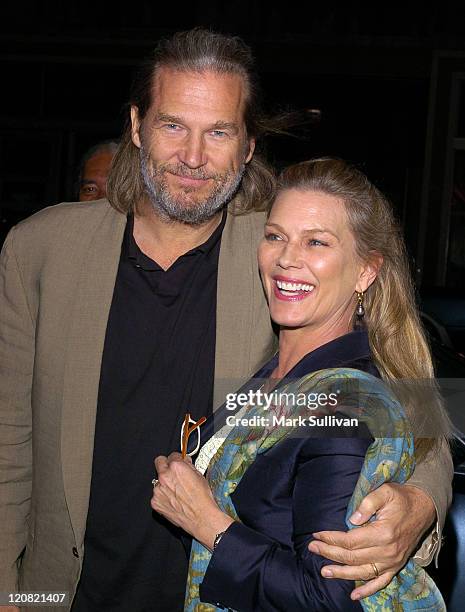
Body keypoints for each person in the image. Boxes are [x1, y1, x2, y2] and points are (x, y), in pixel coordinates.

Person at [0, 30, 452, 612]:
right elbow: (8, 437)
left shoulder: (281, 254)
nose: (193, 157)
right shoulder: (41, 250)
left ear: (247, 147)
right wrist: (12, 593)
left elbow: (414, 406)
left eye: (218, 132)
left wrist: (421, 503)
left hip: (224, 589)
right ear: (137, 127)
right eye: (172, 126)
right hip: (56, 591)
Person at [151, 158, 451, 611]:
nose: (287, 258)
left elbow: (327, 597)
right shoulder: (279, 372)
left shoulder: (342, 404)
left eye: (316, 242)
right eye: (275, 236)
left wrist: (206, 521)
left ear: (366, 271)